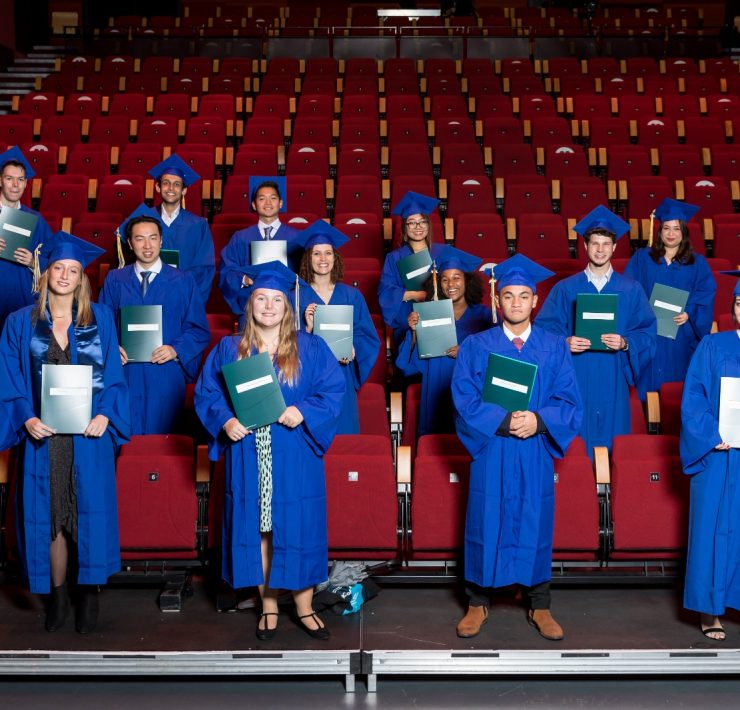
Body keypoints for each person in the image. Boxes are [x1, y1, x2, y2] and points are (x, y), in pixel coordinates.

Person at [195, 261, 345, 641]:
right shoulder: (230, 348)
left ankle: (306, 608)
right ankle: (269, 606)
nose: (268, 306)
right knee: (261, 530)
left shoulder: (311, 347)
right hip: (250, 451)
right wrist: (225, 420)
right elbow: (208, 393)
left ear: (287, 305)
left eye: (276, 299)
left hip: (294, 452)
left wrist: (303, 410)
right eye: (261, 298)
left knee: (299, 527)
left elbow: (332, 390)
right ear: (250, 304)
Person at [0, 232, 130, 633]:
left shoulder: (100, 318)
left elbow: (114, 375)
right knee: (51, 513)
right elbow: (9, 378)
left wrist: (106, 415)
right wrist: (26, 418)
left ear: (81, 278)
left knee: (87, 509)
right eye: (58, 268)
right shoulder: (20, 321)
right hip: (44, 435)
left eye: (73, 271)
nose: (64, 276)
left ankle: (88, 594)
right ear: (46, 273)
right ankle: (58, 596)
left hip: (89, 435)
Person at [452, 254, 582, 641]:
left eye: (524, 296)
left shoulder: (554, 347)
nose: (516, 303)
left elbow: (569, 400)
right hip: (493, 447)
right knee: (485, 517)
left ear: (535, 301)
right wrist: (503, 420)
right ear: (498, 300)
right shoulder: (476, 345)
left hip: (534, 448)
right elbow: (463, 398)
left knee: (534, 519)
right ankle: (477, 602)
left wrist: (539, 421)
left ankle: (539, 603)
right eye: (508, 296)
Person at [536, 205, 656, 455]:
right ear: (585, 246)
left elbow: (647, 333)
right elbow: (542, 332)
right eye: (594, 244)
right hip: (575, 374)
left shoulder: (631, 289)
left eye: (605, 244)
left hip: (614, 375)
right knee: (577, 442)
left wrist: (625, 343)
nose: (600, 250)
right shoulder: (565, 288)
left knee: (613, 441)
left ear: (614, 247)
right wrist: (564, 342)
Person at [99, 205, 210, 435]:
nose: (147, 246)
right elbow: (102, 324)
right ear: (130, 244)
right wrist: (112, 347)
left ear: (161, 241)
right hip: (125, 371)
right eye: (139, 239)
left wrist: (175, 350)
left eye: (153, 238)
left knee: (163, 439)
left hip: (165, 371)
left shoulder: (183, 280)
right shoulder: (115, 279)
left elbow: (198, 330)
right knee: (127, 439)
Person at [680, 271, 740, 642]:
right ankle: (709, 609)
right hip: (718, 455)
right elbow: (694, 396)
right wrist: (710, 435)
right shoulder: (714, 345)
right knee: (710, 529)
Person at [624, 198, 716, 400]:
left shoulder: (697, 262)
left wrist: (689, 312)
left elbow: (705, 292)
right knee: (647, 387)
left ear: (683, 232)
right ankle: (647, 414)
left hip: (680, 332)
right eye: (666, 228)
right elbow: (629, 289)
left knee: (676, 388)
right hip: (650, 330)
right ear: (660, 231)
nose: (671, 234)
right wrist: (643, 311)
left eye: (676, 229)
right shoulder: (642, 258)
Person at [396, 245, 492, 438]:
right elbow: (410, 367)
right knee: (436, 443)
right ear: (438, 283)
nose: (450, 284)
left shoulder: (485, 317)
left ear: (467, 281)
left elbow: (497, 358)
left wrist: (467, 350)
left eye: (457, 277)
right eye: (445, 279)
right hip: (436, 391)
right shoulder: (429, 314)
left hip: (472, 393)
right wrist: (414, 332)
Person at [298, 220, 381, 435]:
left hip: (341, 374)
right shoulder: (296, 297)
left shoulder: (351, 295)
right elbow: (285, 341)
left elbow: (367, 337)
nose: (323, 259)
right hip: (309, 377)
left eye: (328, 253)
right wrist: (307, 330)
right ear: (308, 258)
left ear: (335, 258)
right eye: (316, 253)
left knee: (344, 436)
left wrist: (354, 349)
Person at [219, 177, 301, 318]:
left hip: (287, 309)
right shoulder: (241, 238)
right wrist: (244, 279)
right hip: (251, 309)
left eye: (273, 198)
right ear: (254, 205)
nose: (268, 203)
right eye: (262, 198)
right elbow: (227, 271)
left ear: (281, 203)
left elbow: (306, 274)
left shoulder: (296, 238)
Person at [378, 191, 444, 347]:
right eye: (412, 222)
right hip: (407, 321)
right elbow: (386, 292)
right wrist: (416, 294)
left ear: (428, 225)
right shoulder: (395, 258)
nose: (418, 227)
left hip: (439, 320)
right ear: (405, 228)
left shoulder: (441, 254)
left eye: (422, 222)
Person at [148, 154, 216, 303]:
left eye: (177, 184)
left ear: (184, 190)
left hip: (183, 297)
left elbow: (204, 268)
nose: (171, 188)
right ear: (158, 187)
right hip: (148, 296)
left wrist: (182, 291)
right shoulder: (143, 220)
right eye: (166, 183)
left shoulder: (198, 225)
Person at [0, 147, 54, 331]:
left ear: (25, 184)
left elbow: (52, 260)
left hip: (21, 299)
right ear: (0, 181)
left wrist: (33, 262)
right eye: (9, 178)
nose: (15, 184)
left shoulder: (36, 220)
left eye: (21, 179)